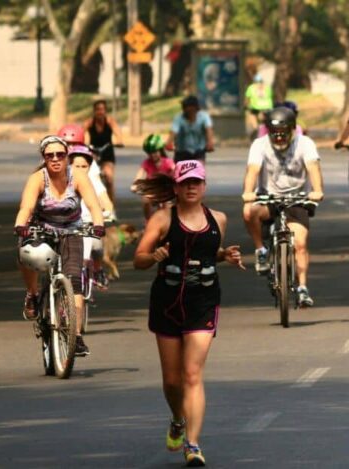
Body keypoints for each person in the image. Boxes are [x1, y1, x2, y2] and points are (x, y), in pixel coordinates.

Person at [133, 160, 244, 467]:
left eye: (197, 182)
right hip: (167, 301)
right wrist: (153, 255)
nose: (191, 187)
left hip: (203, 301)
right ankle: (178, 419)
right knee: (172, 381)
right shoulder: (162, 219)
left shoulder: (217, 219)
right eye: (186, 183)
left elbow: (212, 253)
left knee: (192, 374)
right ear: (176, 187)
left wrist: (227, 255)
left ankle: (192, 444)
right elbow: (138, 259)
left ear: (204, 186)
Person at [14, 136, 105, 356]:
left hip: (71, 231)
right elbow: (26, 207)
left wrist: (99, 225)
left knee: (74, 283)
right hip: (42, 230)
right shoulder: (38, 178)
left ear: (67, 157)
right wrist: (20, 224)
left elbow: (94, 205)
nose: (55, 159)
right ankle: (33, 294)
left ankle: (76, 336)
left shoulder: (79, 177)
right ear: (44, 158)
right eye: (49, 155)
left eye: (60, 155)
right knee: (26, 252)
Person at [241, 107, 324, 307]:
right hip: (268, 197)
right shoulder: (259, 145)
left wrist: (317, 190)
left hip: (296, 199)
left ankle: (302, 288)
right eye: (274, 135)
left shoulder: (305, 143)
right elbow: (253, 170)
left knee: (300, 244)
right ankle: (261, 250)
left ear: (292, 130)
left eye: (283, 134)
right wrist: (248, 192)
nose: (279, 139)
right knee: (248, 211)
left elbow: (313, 168)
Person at [68, 144, 113, 289]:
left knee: (97, 245)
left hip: (88, 224)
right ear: (69, 165)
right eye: (77, 166)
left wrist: (106, 212)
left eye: (84, 166)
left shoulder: (94, 182)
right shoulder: (62, 181)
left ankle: (98, 270)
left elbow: (107, 203)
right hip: (66, 226)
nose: (80, 170)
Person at [83, 100, 123, 202]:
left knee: (109, 178)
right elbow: (81, 133)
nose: (100, 112)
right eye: (97, 110)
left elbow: (117, 132)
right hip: (93, 153)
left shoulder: (109, 121)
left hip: (107, 153)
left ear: (105, 111)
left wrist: (119, 141)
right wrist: (81, 144)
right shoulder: (89, 122)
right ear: (94, 111)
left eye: (102, 110)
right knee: (88, 178)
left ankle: (111, 207)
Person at [131, 134, 176, 221]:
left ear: (160, 150)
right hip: (153, 191)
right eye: (150, 153)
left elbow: (175, 171)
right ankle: (149, 221)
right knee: (145, 200)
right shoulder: (147, 163)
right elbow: (139, 175)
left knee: (167, 206)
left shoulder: (167, 162)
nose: (152, 155)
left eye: (155, 152)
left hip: (165, 191)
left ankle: (168, 223)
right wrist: (135, 186)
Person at [165, 96, 215, 163]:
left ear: (195, 107)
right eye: (184, 107)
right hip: (181, 152)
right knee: (177, 171)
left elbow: (208, 129)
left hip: (198, 151)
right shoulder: (178, 118)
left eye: (187, 106)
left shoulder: (204, 117)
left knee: (199, 170)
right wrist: (169, 143)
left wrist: (210, 142)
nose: (185, 109)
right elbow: (173, 132)